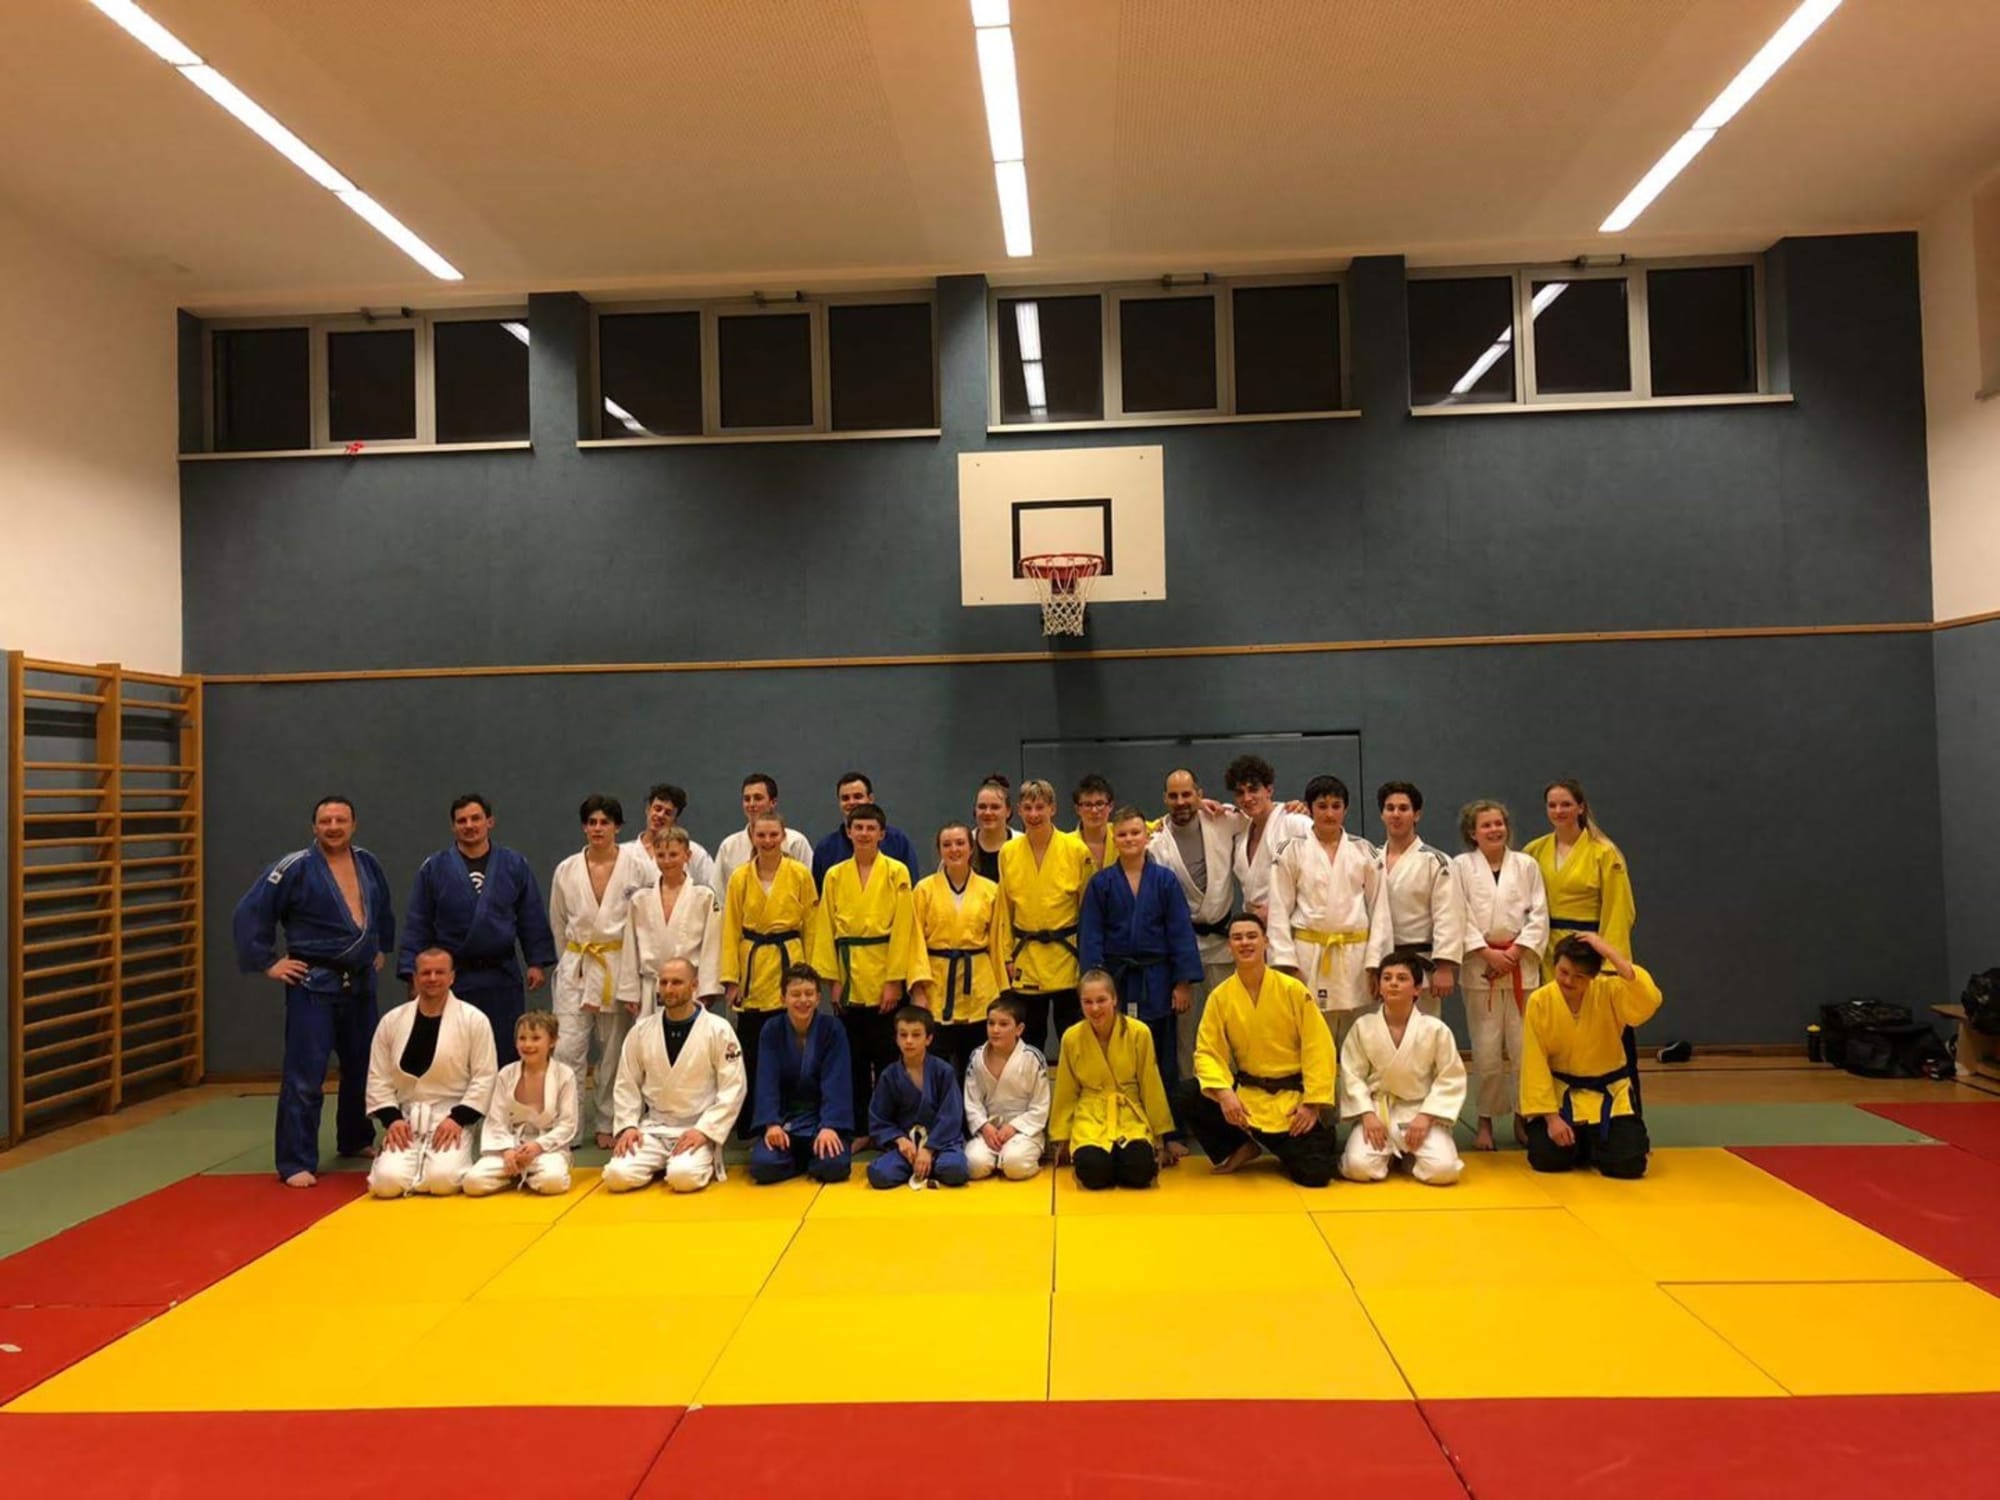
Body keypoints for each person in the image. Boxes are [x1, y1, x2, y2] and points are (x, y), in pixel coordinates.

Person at [232, 794, 396, 1188]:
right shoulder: (293, 867)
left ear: (353, 824)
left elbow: (382, 910)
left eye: (341, 820)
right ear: (314, 827)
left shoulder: (368, 862)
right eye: (326, 821)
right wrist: (269, 961)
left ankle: (355, 1137)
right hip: (313, 984)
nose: (333, 827)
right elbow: (250, 912)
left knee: (363, 1065)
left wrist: (378, 946)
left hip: (359, 982)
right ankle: (295, 1160)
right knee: (306, 1073)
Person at [1174, 913, 1339, 1187]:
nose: (1245, 943)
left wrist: (1312, 1104)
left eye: (1252, 936)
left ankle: (1289, 1145)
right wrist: (1225, 1093)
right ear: (1229, 946)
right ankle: (1240, 1146)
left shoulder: (1293, 990)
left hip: (1290, 1101)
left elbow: (1318, 1047)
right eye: (1237, 938)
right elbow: (1207, 1052)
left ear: (1266, 942)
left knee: (1316, 1174)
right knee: (1187, 1093)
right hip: (1245, 1099)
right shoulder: (1221, 996)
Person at [398, 793, 555, 1069]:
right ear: (453, 827)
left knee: (504, 1046)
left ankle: (502, 1096)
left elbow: (530, 914)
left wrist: (536, 961)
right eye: (462, 821)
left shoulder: (514, 864)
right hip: (456, 974)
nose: (469, 825)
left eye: (475, 819)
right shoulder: (434, 867)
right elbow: (418, 922)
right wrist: (413, 972)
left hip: (501, 973)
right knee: (455, 1049)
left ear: (489, 821)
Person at [548, 795, 659, 1147]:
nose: (598, 828)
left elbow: (650, 916)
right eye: (592, 822)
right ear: (584, 827)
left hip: (619, 965)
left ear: (617, 827)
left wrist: (639, 973)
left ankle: (608, 1122)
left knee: (615, 1050)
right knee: (567, 1048)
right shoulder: (567, 869)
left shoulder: (638, 866)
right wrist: (569, 961)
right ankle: (569, 1124)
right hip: (577, 965)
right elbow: (558, 922)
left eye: (605, 822)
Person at [1079, 805, 1203, 1098]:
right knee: (1116, 1045)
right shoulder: (1101, 883)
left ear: (1146, 837)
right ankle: (1121, 1110)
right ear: (1114, 839)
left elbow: (1180, 932)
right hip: (1116, 979)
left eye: (1135, 833)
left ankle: (1166, 1117)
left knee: (1162, 1049)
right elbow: (1091, 934)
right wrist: (1095, 983)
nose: (1129, 839)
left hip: (1157, 977)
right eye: (1122, 834)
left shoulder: (1165, 880)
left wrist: (1183, 982)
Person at [812, 801, 917, 1137]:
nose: (864, 833)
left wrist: (895, 981)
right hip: (849, 974)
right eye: (858, 827)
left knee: (888, 1057)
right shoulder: (834, 875)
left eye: (871, 828)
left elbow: (904, 928)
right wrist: (833, 980)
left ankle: (888, 1126)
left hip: (884, 970)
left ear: (882, 834)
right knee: (854, 1059)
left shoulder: (897, 872)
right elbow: (825, 927)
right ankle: (859, 1129)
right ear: (848, 832)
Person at [1521, 934, 1662, 1179]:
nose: (1568, 981)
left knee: (1629, 1165)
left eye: (1579, 976)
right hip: (1562, 1096)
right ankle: (1589, 1143)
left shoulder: (1610, 991)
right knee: (1546, 1159)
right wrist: (1551, 1119)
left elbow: (1648, 1000)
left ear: (1594, 976)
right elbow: (1534, 1062)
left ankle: (1592, 1142)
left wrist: (1610, 952)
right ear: (1555, 965)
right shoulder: (1540, 1001)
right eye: (1563, 972)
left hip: (1610, 1094)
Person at [1451, 800, 1549, 1152]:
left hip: (1521, 964)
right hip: (1481, 968)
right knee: (1487, 1051)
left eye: (1499, 824)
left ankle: (1525, 1116)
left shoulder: (1526, 865)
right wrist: (1486, 952)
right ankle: (1485, 1120)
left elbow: (1539, 914)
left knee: (1524, 1050)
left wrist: (1516, 952)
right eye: (1486, 825)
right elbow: (1457, 914)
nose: (1494, 830)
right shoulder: (1461, 866)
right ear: (1472, 832)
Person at [1268, 774, 1391, 1048]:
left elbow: (1380, 911)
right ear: (1309, 809)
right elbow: (1278, 911)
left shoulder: (1365, 852)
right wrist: (1286, 963)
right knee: (1311, 1038)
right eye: (1322, 806)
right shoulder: (1290, 851)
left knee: (1358, 1041)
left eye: (1336, 806)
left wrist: (1377, 964)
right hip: (1308, 956)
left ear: (1345, 809)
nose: (1329, 813)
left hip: (1356, 958)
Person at [364, 948, 498, 1198]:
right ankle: (399, 1163)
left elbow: (485, 1077)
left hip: (450, 1117)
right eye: (426, 973)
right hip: (406, 1119)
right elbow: (378, 1077)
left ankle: (445, 1159)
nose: (432, 978)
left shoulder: (474, 1020)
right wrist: (392, 1119)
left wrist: (458, 1119)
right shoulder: (392, 1021)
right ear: (415, 978)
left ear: (452, 977)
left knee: (442, 1181)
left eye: (440, 972)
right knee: (386, 1184)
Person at [604, 958, 746, 1192]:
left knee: (683, 1177)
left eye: (677, 982)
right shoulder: (641, 1031)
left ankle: (686, 1161)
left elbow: (734, 1087)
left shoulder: (718, 1029)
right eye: (664, 982)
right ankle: (662, 1161)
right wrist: (628, 1126)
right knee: (616, 1175)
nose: (669, 989)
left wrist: (705, 1131)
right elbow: (626, 1083)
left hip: (696, 1128)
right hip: (653, 1129)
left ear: (694, 985)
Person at [719, 809, 820, 1131]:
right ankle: (756, 1118)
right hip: (753, 967)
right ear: (752, 836)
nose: (767, 841)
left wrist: (810, 974)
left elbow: (812, 926)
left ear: (783, 836)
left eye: (773, 835)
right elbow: (730, 928)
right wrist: (731, 979)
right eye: (761, 835)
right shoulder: (740, 877)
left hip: (790, 960)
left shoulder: (800, 874)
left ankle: (795, 1114)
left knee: (793, 1045)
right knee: (752, 1047)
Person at [1339, 951, 1467, 1186]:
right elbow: (1352, 1075)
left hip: (1419, 1112)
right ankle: (1390, 1156)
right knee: (1358, 1168)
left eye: (1402, 978)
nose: (1393, 983)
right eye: (1387, 978)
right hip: (1378, 1111)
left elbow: (1450, 1078)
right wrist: (1367, 1115)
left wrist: (1426, 1116)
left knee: (1444, 1172)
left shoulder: (1435, 1029)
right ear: (1379, 987)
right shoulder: (1363, 1027)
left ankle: (1408, 1159)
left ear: (1417, 989)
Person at [1150, 768, 1242, 1076]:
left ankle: (1232, 1087)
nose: (1181, 802)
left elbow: (1260, 815)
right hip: (1182, 945)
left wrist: (1294, 808)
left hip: (1222, 941)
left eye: (1187, 794)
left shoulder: (1221, 821)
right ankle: (1189, 1091)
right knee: (1185, 1027)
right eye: (1174, 796)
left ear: (1199, 795)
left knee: (1230, 1020)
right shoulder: (1155, 841)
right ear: (1164, 799)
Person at [1049, 969, 1177, 1190]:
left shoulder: (1139, 1033)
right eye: (1088, 1002)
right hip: (1090, 1116)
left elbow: (1151, 1084)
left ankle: (1122, 1158)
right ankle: (1107, 1161)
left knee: (1139, 1172)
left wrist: (1160, 1137)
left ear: (1115, 999)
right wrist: (1062, 1137)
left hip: (1130, 1114)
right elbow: (1066, 1089)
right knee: (1094, 1173)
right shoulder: (1072, 1037)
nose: (1095, 1008)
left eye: (1101, 1000)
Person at [998, 779, 1093, 1056]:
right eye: (1028, 808)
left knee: (1073, 1038)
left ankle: (1075, 1085)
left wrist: (1088, 959)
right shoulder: (1008, 852)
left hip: (1068, 955)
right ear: (1018, 810)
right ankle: (1030, 1085)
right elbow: (1004, 909)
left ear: (1053, 808)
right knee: (1029, 1040)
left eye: (1040, 807)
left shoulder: (1077, 850)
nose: (1034, 814)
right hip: (1026, 955)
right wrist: (1006, 955)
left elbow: (1088, 911)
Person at [907, 822, 1014, 1071]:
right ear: (939, 851)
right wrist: (918, 989)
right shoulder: (923, 890)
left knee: (976, 1063)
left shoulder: (990, 890)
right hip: (937, 983)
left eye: (960, 843)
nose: (954, 849)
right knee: (937, 1062)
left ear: (971, 848)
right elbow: (914, 941)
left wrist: (1001, 987)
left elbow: (998, 941)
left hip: (979, 983)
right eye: (947, 845)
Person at [748, 964, 855, 1185]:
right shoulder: (772, 1030)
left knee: (835, 1166)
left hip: (821, 1119)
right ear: (783, 998)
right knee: (762, 1166)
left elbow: (838, 1081)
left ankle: (804, 1158)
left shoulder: (832, 1029)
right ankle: (806, 1161)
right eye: (795, 994)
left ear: (818, 998)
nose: (803, 1000)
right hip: (786, 1121)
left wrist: (830, 1126)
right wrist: (771, 1124)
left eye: (809, 994)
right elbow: (766, 1080)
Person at [1365, 782, 1464, 1017]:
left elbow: (1449, 916)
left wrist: (1444, 966)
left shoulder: (1436, 861)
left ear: (1416, 814)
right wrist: (1370, 966)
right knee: (1379, 1031)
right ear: (1382, 814)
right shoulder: (1369, 859)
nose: (1396, 814)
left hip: (1420, 965)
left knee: (1423, 1032)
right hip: (1379, 963)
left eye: (1403, 808)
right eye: (1390, 808)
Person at [463, 1011, 577, 1197]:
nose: (528, 1044)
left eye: (536, 1038)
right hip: (511, 1146)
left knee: (553, 1181)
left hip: (546, 1150)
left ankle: (529, 1176)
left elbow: (567, 1124)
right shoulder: (506, 1074)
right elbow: (496, 1121)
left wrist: (537, 1146)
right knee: (473, 1183)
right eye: (522, 1038)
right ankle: (515, 1174)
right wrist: (507, 1150)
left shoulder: (564, 1075)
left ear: (553, 1041)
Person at [1523, 778, 1635, 962]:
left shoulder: (1604, 853)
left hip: (1586, 949)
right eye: (1552, 805)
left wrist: (1611, 959)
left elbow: (1619, 909)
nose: (1558, 811)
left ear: (1580, 808)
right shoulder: (1534, 850)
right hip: (1544, 948)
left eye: (1566, 805)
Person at [620, 826, 724, 1014]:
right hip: (651, 988)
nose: (667, 861)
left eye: (673, 855)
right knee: (649, 1033)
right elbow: (630, 947)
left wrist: (708, 989)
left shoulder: (704, 896)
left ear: (687, 855)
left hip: (688, 988)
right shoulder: (640, 898)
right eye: (661, 855)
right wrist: (629, 991)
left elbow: (712, 945)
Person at [866, 1006, 971, 1189]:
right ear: (896, 1038)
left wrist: (929, 1149)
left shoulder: (943, 1071)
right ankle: (921, 1166)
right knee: (878, 1174)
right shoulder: (889, 1075)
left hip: (941, 1144)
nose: (909, 1041)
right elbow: (879, 1118)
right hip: (908, 1147)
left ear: (928, 1039)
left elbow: (951, 1116)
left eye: (916, 1035)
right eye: (903, 1035)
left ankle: (927, 1164)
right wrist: (900, 1140)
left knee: (956, 1170)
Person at [963, 996, 1051, 1181]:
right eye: (991, 1023)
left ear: (1019, 1029)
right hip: (990, 1131)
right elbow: (972, 1102)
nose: (995, 1030)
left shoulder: (1032, 1058)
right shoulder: (977, 1057)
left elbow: (1040, 1106)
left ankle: (1009, 1159)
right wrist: (984, 1127)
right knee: (973, 1164)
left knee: (1014, 1164)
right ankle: (996, 1158)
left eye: (1003, 1024)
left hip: (1023, 1132)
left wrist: (1013, 1127)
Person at [1223, 756, 1313, 924]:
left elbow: (1320, 873)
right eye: (1240, 792)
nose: (1247, 798)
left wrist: (1279, 907)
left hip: (1292, 925)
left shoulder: (1295, 822)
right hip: (1255, 927)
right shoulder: (1241, 829)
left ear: (1269, 790)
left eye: (1253, 789)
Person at [812, 771, 920, 887]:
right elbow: (820, 893)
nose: (851, 802)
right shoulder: (825, 848)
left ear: (871, 799)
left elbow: (911, 887)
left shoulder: (898, 841)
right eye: (845, 798)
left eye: (858, 796)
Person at [714, 773, 815, 894]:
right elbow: (719, 893)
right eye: (747, 799)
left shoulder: (796, 843)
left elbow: (809, 889)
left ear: (773, 802)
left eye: (758, 798)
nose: (751, 804)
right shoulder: (729, 847)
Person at [624, 782, 718, 894]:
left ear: (675, 819)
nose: (660, 815)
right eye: (657, 809)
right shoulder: (625, 853)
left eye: (668, 813)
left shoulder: (694, 853)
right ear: (648, 809)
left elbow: (714, 890)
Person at [970, 774, 1019, 882]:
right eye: (982, 807)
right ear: (975, 810)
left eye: (995, 807)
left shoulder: (1024, 844)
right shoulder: (962, 845)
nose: (988, 812)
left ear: (1008, 811)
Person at [1070, 773, 1117, 876]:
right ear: (1077, 809)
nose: (1094, 811)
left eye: (1099, 804)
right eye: (1087, 805)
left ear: (1110, 806)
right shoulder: (1066, 845)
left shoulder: (1123, 835)